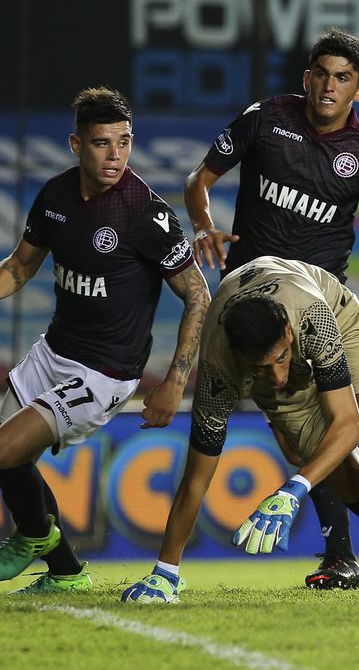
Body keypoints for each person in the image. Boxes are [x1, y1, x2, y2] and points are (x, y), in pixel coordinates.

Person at [183, 27, 359, 591]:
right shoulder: (264, 119)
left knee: (334, 434)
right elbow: (199, 180)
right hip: (256, 304)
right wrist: (204, 224)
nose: (329, 88)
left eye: (343, 79)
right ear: (306, 77)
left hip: (318, 310)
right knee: (297, 439)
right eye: (321, 75)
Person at [120, 257, 359, 604]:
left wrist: (292, 490)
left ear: (287, 333)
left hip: (334, 315)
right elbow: (196, 477)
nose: (278, 377)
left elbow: (349, 426)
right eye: (262, 368)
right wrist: (166, 570)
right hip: (266, 322)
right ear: (240, 359)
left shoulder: (314, 317)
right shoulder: (218, 367)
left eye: (281, 358)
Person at [0, 87, 210, 593]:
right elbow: (18, 270)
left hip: (105, 372)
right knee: (10, 458)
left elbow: (199, 294)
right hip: (51, 354)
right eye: (101, 143)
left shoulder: (146, 214)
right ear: (76, 145)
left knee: (4, 452)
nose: (115, 155)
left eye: (124, 142)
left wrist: (175, 382)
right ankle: (68, 574)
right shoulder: (55, 196)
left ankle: (33, 536)